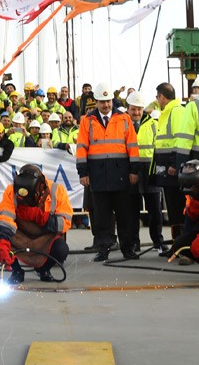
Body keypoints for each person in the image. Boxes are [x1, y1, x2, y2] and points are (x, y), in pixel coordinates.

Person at [76, 81, 139, 262]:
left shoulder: (124, 118)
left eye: (108, 101)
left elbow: (132, 146)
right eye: (102, 102)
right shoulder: (87, 121)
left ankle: (127, 249)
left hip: (120, 174)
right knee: (101, 216)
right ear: (96, 102)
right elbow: (81, 148)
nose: (106, 105)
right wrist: (83, 173)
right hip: (98, 175)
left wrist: (134, 170)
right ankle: (103, 249)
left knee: (124, 214)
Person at [0, 164, 72, 284]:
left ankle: (43, 269)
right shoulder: (11, 190)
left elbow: (65, 224)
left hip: (45, 237)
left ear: (40, 187)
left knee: (61, 250)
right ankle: (16, 271)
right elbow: (6, 219)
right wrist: (3, 242)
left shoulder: (57, 191)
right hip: (20, 234)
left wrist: (39, 216)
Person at [126, 91, 167, 255]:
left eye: (139, 109)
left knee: (155, 211)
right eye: (133, 109)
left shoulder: (153, 124)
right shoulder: (123, 125)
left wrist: (159, 171)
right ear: (128, 109)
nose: (136, 113)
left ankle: (158, 242)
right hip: (131, 172)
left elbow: (159, 148)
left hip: (150, 171)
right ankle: (133, 244)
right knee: (132, 211)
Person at [154, 82, 187, 250]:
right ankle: (177, 245)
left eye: (157, 96)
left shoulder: (176, 112)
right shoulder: (168, 112)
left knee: (177, 208)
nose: (156, 100)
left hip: (173, 167)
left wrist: (175, 163)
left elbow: (181, 139)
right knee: (173, 209)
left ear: (162, 96)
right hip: (167, 167)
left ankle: (180, 246)